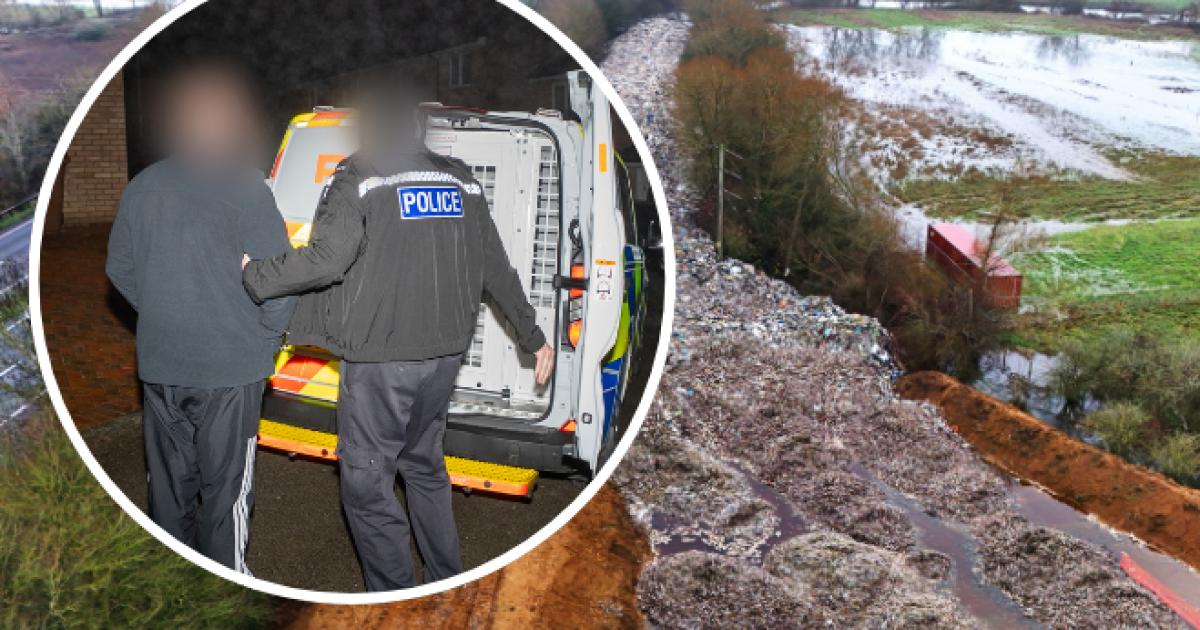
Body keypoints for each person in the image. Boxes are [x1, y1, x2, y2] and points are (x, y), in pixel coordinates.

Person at [241, 83, 555, 591]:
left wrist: (256, 275)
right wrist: (533, 336)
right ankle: (444, 580)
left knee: (366, 482)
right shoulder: (461, 180)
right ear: (415, 128)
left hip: (384, 360)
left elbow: (327, 258)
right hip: (444, 358)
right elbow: (495, 268)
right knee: (424, 467)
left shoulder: (359, 175)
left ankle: (396, 599)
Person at [105, 62, 295, 573]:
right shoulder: (246, 189)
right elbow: (280, 278)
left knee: (168, 493)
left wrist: (169, 308)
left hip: (163, 366)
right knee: (226, 494)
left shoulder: (142, 186)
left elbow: (119, 268)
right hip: (230, 371)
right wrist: (265, 342)